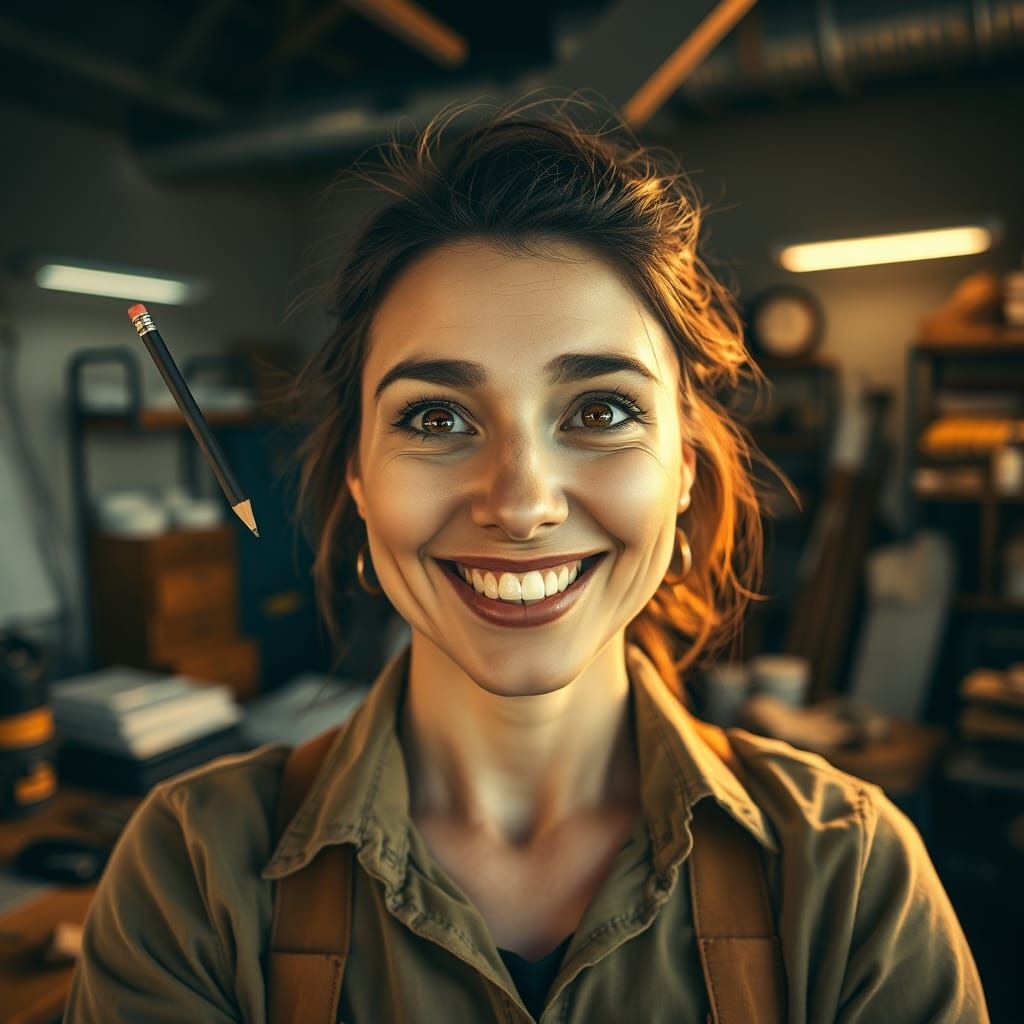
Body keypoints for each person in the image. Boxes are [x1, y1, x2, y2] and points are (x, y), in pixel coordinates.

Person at [66, 97, 988, 1023]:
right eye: (436, 418)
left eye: (599, 412)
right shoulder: (190, 875)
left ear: (682, 471)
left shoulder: (852, 880)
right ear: (357, 478)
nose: (519, 503)